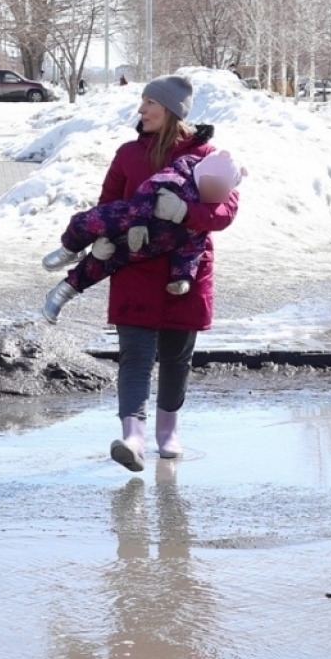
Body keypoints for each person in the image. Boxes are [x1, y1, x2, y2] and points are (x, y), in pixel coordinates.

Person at [62, 74, 239, 471]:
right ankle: (133, 437)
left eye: (149, 104)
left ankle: (167, 433)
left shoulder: (208, 157)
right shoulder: (128, 154)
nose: (140, 110)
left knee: (177, 356)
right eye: (141, 103)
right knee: (135, 355)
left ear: (172, 112)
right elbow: (107, 204)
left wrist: (185, 214)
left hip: (186, 269)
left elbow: (225, 211)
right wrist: (102, 240)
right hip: (135, 264)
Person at [40, 148, 245, 323]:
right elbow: (146, 189)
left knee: (99, 266)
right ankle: (69, 249)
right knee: (84, 222)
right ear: (204, 177)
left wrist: (183, 277)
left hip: (145, 247)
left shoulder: (204, 213)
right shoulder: (176, 177)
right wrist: (138, 223)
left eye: (223, 190)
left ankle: (61, 294)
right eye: (216, 187)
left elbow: (192, 250)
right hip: (125, 217)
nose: (219, 195)